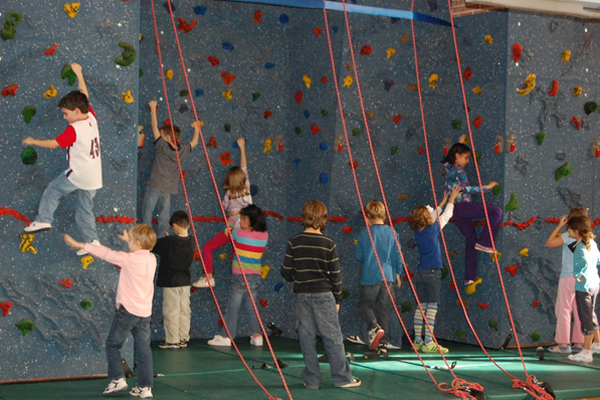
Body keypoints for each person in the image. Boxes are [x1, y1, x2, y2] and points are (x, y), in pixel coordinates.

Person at [64, 224, 157, 398]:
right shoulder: (151, 259)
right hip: (144, 313)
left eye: (130, 240)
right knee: (144, 349)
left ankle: (117, 379)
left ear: (136, 242)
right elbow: (138, 251)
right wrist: (129, 241)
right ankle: (145, 387)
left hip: (128, 312)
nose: (128, 242)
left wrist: (82, 245)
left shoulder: (129, 259)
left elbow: (107, 254)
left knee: (112, 345)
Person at [22, 62, 102, 256]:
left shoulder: (74, 129)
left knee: (53, 190)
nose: (65, 117)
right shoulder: (90, 117)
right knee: (84, 209)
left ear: (76, 111)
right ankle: (92, 242)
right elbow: (84, 95)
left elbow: (54, 144)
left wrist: (33, 140)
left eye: (66, 114)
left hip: (79, 174)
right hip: (93, 177)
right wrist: (79, 73)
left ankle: (44, 219)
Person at [281, 200, 361, 389]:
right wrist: (337, 298)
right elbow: (336, 275)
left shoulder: (295, 242)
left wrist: (298, 277)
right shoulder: (328, 244)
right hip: (324, 295)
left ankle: (312, 380)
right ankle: (343, 378)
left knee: (306, 338)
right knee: (333, 337)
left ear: (303, 217)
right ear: (323, 220)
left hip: (302, 296)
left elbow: (286, 271)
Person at [442, 134, 502, 288]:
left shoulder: (448, 168)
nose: (468, 161)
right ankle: (485, 242)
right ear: (457, 156)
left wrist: (460, 144)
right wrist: (486, 187)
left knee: (471, 240)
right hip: (463, 206)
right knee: (496, 212)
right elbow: (467, 189)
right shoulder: (460, 171)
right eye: (466, 157)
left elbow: (451, 157)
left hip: (454, 210)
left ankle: (469, 277)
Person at [207, 204, 268, 347]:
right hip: (255, 276)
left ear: (250, 221)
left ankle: (226, 336)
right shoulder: (264, 235)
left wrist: (232, 218)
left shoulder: (240, 234)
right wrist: (237, 219)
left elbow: (228, 230)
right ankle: (257, 335)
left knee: (233, 306)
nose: (240, 221)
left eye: (243, 218)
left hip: (240, 277)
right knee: (251, 307)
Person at [193, 138, 251, 288]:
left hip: (233, 230)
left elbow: (226, 208)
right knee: (235, 259)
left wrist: (231, 211)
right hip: (243, 232)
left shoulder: (229, 195)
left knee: (208, 248)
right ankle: (239, 283)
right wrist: (242, 148)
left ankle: (209, 277)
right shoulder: (247, 189)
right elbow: (244, 167)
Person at [409, 186, 460, 353]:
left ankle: (417, 341)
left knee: (420, 306)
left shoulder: (418, 231)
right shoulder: (433, 229)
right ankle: (429, 342)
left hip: (421, 272)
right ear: (427, 217)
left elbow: (433, 215)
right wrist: (452, 198)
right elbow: (446, 215)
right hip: (432, 272)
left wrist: (443, 201)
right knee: (432, 307)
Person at [142, 100, 200, 238]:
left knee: (147, 214)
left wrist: (152, 108)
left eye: (162, 135)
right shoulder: (183, 151)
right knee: (164, 217)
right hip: (168, 189)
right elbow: (195, 142)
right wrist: (196, 128)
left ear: (167, 137)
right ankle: (162, 239)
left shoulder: (162, 146)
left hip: (155, 185)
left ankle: (146, 240)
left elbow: (154, 127)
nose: (160, 136)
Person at [350, 200, 402, 352]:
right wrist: (398, 273)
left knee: (364, 305)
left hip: (371, 276)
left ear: (368, 216)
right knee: (384, 309)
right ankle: (383, 343)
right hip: (388, 277)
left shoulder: (364, 233)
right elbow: (398, 255)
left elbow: (359, 256)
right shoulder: (393, 232)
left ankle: (374, 327)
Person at [545, 207, 588, 354]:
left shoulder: (567, 235)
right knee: (579, 310)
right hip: (583, 278)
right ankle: (580, 342)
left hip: (568, 277)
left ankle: (563, 344)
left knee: (563, 309)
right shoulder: (588, 237)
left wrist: (559, 226)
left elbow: (549, 243)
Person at [154, 211, 196, 350]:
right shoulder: (191, 241)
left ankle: (172, 340)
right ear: (188, 226)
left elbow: (153, 245)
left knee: (171, 310)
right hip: (184, 281)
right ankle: (183, 338)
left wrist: (166, 239)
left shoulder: (169, 242)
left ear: (175, 226)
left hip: (171, 282)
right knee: (184, 310)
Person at [564, 216, 600, 362]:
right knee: (591, 314)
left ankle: (587, 351)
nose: (568, 231)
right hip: (594, 284)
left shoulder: (580, 246)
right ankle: (596, 344)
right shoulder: (592, 242)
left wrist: (579, 274)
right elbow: (598, 259)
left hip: (584, 286)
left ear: (577, 231)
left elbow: (584, 260)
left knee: (586, 318)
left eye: (570, 229)